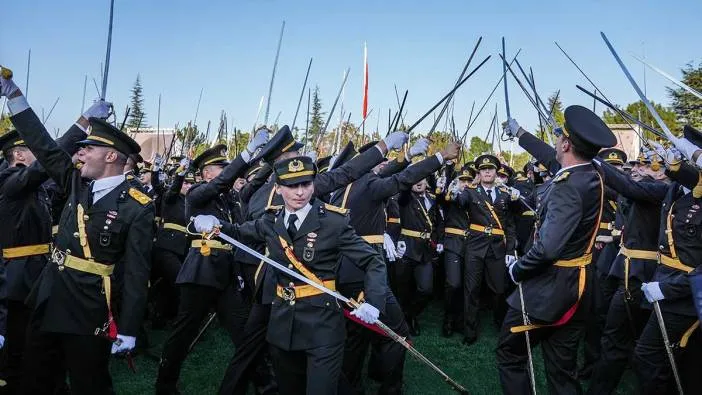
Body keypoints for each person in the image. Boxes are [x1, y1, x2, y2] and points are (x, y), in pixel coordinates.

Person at [1, 68, 154, 394]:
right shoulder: (75, 182)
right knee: (37, 377)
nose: (80, 152)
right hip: (49, 296)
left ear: (111, 156)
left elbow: (137, 274)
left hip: (90, 307)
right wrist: (14, 96)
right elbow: (43, 145)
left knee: (89, 381)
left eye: (89, 148)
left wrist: (127, 329)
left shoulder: (137, 205)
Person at [194, 155, 387, 395]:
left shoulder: (333, 223)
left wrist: (374, 302)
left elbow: (372, 260)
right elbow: (239, 231)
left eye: (306, 184)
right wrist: (215, 223)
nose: (300, 193)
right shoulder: (270, 221)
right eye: (292, 186)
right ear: (278, 188)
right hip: (282, 325)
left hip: (322, 325)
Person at [496, 105, 617, 394]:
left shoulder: (566, 186)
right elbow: (553, 159)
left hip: (550, 291)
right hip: (579, 286)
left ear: (565, 144)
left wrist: (517, 270)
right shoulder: (592, 174)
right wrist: (521, 134)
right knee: (562, 369)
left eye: (558, 138)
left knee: (510, 354)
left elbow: (548, 250)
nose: (555, 143)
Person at [0, 100, 110, 392]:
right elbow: (51, 154)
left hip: (40, 271)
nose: (40, 156)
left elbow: (57, 167)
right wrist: (83, 119)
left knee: (40, 342)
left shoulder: (33, 186)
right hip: (19, 275)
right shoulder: (11, 180)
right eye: (33, 151)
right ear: (20, 154)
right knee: (20, 342)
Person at [155, 130, 271, 394]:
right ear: (207, 173)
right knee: (183, 334)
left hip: (228, 274)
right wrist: (247, 151)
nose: (227, 171)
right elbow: (225, 181)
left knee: (243, 333)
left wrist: (269, 157)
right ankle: (165, 384)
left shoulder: (231, 200)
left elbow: (249, 184)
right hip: (201, 272)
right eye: (221, 167)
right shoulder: (197, 193)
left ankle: (266, 385)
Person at [447, 153, 519, 345]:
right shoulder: (470, 192)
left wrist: (511, 250)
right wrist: (453, 191)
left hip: (497, 248)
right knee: (471, 290)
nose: (487, 172)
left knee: (499, 290)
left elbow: (510, 226)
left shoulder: (505, 195)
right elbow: (459, 201)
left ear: (496, 172)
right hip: (475, 247)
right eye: (484, 169)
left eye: (491, 169)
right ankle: (469, 332)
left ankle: (500, 325)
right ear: (479, 173)